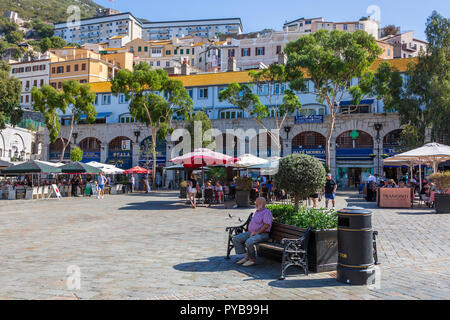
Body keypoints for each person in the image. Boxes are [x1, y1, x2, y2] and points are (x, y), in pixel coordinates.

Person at [232, 197, 273, 267]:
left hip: (263, 234)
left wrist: (256, 233)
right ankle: (246, 257)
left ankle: (252, 259)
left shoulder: (267, 212)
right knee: (236, 239)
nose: (256, 204)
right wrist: (253, 232)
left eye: (258, 203)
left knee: (249, 241)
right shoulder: (257, 211)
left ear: (262, 204)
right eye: (256, 203)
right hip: (251, 232)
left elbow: (266, 225)